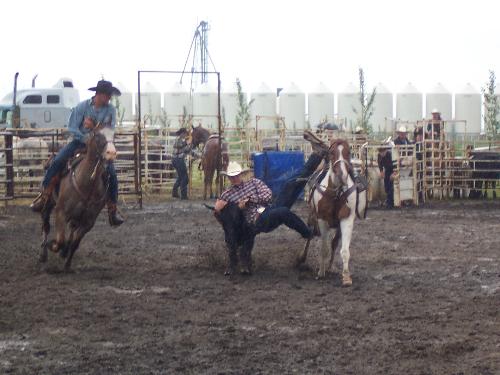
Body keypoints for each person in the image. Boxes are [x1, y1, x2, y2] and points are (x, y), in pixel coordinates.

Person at [30, 79, 124, 226]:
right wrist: (86, 137)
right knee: (58, 161)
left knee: (111, 172)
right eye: (107, 95)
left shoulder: (110, 109)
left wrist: (93, 126)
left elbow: (110, 130)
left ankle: (112, 209)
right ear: (99, 94)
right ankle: (45, 195)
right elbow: (72, 128)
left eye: (109, 95)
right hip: (80, 142)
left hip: (100, 146)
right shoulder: (82, 107)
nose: (109, 98)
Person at [214, 161, 313, 239]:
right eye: (232, 177)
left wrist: (251, 200)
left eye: (236, 175)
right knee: (283, 211)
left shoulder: (254, 182)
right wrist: (235, 208)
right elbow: (218, 211)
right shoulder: (227, 195)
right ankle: (307, 233)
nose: (234, 178)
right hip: (255, 222)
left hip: (269, 210)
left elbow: (268, 195)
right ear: (229, 178)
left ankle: (317, 156)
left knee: (289, 184)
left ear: (240, 174)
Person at [171, 127, 194, 200]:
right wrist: (188, 143)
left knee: (181, 177)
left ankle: (175, 192)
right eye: (185, 133)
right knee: (185, 178)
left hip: (176, 160)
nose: (185, 135)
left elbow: (187, 150)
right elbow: (180, 146)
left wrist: (190, 145)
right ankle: (183, 195)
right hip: (178, 160)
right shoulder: (179, 140)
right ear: (182, 133)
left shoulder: (180, 140)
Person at [377, 139, 395, 209]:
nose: (382, 153)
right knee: (386, 187)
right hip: (387, 170)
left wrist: (394, 173)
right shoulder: (379, 155)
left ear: (386, 150)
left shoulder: (390, 154)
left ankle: (390, 203)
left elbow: (395, 164)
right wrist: (381, 171)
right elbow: (380, 164)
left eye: (383, 151)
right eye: (380, 151)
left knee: (391, 187)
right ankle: (389, 201)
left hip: (392, 170)